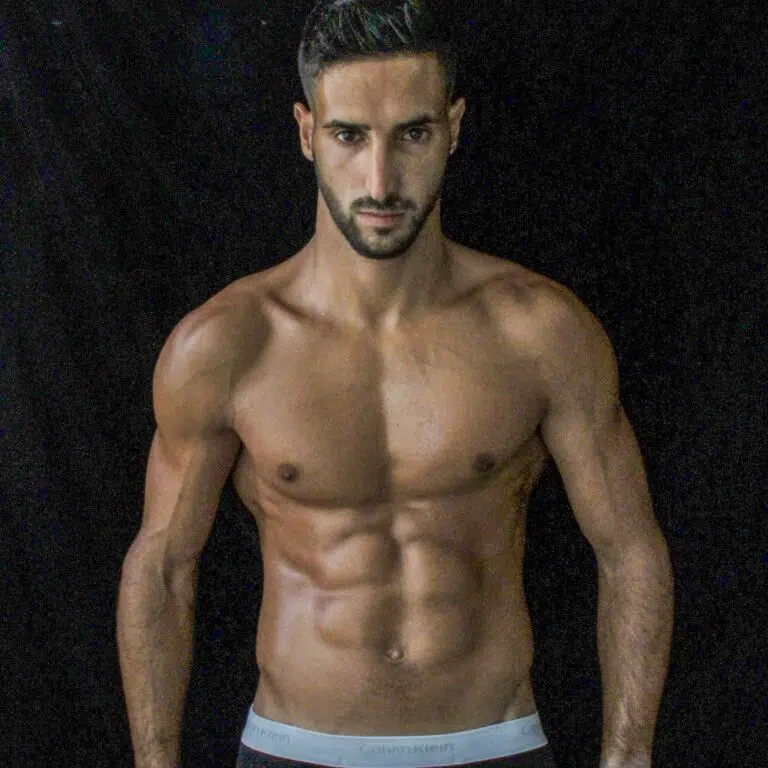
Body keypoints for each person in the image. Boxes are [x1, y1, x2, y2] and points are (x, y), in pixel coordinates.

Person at [116, 2, 674, 767]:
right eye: (350, 135)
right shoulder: (229, 344)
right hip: (293, 749)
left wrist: (627, 757)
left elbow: (629, 550)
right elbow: (162, 568)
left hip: (494, 746)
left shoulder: (539, 332)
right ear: (308, 133)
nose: (380, 180)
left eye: (412, 134)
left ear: (453, 128)